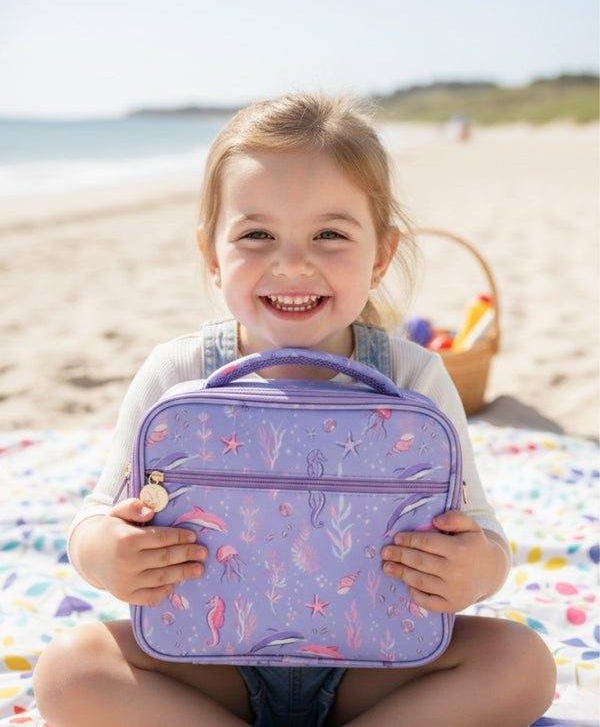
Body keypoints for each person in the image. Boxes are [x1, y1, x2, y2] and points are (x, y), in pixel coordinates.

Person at [33, 93, 555, 727]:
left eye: (330, 234)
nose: (292, 262)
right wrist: (106, 552)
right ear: (211, 254)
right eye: (257, 235)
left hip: (376, 667)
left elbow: (482, 529)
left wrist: (475, 570)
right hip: (209, 661)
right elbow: (95, 516)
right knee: (68, 670)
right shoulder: (179, 372)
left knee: (523, 663)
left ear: (381, 255)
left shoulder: (415, 375)